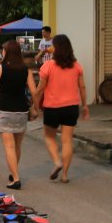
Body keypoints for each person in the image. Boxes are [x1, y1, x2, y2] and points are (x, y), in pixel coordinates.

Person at [33, 33, 89, 184]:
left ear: (56, 48)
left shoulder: (48, 66)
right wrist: (85, 106)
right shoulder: (76, 65)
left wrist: (35, 106)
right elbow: (82, 87)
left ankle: (57, 161)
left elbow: (40, 89)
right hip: (71, 107)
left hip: (52, 108)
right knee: (67, 141)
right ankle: (64, 174)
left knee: (49, 137)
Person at [0, 39, 37, 190]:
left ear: (6, 52)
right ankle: (13, 173)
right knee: (17, 146)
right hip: (21, 110)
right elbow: (34, 91)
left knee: (9, 146)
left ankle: (16, 179)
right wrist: (36, 107)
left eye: (3, 50)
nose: (2, 52)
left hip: (4, 110)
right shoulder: (26, 69)